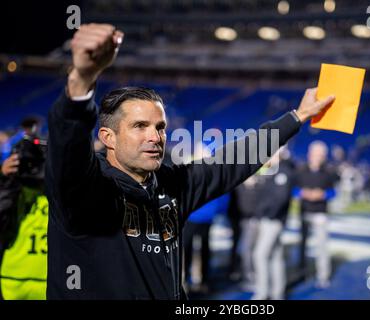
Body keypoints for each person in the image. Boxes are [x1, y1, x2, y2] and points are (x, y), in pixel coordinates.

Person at [45, 23, 334, 299]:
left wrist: (297, 117)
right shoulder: (84, 189)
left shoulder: (172, 184)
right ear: (108, 137)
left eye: (160, 127)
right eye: (139, 126)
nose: (155, 137)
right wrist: (82, 82)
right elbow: (68, 145)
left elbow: (232, 160)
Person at [0, 144, 48, 300]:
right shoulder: (16, 194)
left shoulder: (62, 195)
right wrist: (3, 176)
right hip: (13, 280)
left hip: (35, 280)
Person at [252, 147, 296, 300]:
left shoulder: (283, 171)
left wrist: (264, 214)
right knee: (275, 256)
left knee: (259, 255)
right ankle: (278, 292)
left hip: (273, 220)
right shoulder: (273, 170)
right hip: (270, 219)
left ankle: (262, 292)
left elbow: (280, 199)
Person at [297, 140, 338, 288]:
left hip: (321, 213)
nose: (318, 157)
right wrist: (303, 193)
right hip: (304, 211)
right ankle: (303, 273)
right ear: (310, 154)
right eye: (316, 154)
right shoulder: (301, 170)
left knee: (322, 246)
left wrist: (323, 194)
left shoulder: (329, 171)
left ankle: (323, 275)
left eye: (321, 155)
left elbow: (333, 192)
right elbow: (293, 189)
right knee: (303, 245)